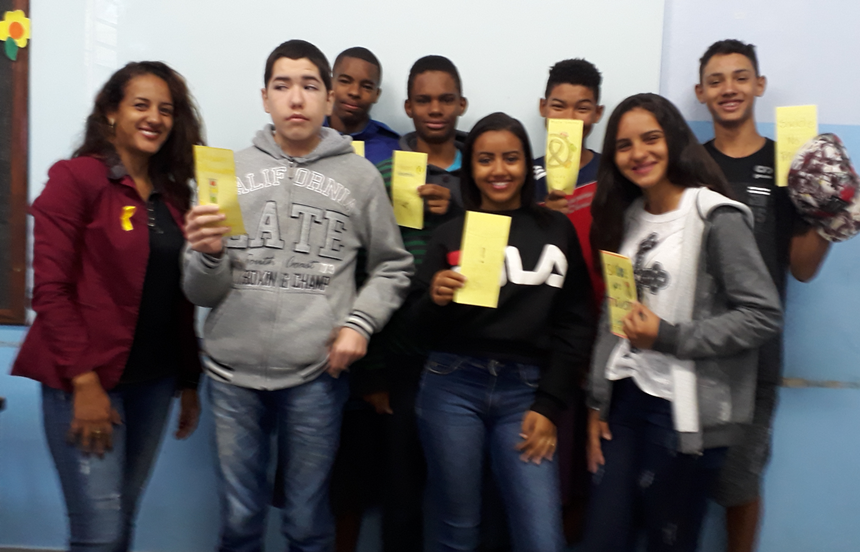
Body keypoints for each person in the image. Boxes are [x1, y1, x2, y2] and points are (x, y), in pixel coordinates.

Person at [182, 39, 413, 552]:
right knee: (239, 521)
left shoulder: (360, 176)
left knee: (307, 523)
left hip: (315, 376)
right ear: (265, 97)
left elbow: (393, 265)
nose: (295, 98)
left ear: (328, 98)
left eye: (309, 86)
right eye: (282, 85)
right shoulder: (226, 173)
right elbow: (198, 292)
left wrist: (359, 323)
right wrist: (210, 256)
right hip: (230, 376)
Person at [12, 61, 204, 552]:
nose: (154, 118)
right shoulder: (76, 179)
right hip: (87, 382)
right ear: (111, 113)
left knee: (122, 525)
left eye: (166, 110)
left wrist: (189, 381)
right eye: (141, 105)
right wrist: (84, 383)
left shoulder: (174, 195)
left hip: (154, 383)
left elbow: (178, 296)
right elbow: (50, 291)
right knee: (98, 534)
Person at [582, 93, 783, 551]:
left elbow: (763, 314)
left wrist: (668, 336)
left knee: (669, 540)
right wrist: (597, 402)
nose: (639, 153)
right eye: (624, 145)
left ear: (673, 140)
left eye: (650, 138)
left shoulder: (715, 215)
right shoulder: (628, 217)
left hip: (681, 411)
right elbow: (614, 315)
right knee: (603, 537)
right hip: (625, 403)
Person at [412, 112, 595, 552]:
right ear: (471, 168)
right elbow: (415, 327)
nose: (499, 170)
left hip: (527, 394)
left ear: (527, 165)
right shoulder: (451, 232)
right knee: (458, 530)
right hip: (452, 385)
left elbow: (576, 322)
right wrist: (434, 298)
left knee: (542, 537)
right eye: (485, 159)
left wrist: (550, 404)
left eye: (511, 158)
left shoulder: (556, 229)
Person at [694, 39, 831, 552]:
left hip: (757, 356)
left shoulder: (789, 166)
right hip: (689, 347)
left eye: (739, 76)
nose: (728, 88)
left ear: (759, 85)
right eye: (716, 80)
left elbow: (802, 268)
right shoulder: (689, 167)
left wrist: (834, 217)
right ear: (701, 93)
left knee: (741, 485)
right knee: (676, 479)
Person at [366, 54, 467, 552]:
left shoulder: (486, 169)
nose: (435, 109)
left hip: (468, 355)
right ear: (407, 107)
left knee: (463, 495)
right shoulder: (383, 173)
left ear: (462, 104)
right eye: (424, 100)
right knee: (401, 492)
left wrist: (459, 207)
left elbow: (510, 240)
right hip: (403, 355)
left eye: (445, 99)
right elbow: (366, 270)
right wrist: (373, 373)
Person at [533, 58, 606, 543]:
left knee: (587, 470)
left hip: (600, 339)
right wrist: (535, 217)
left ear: (597, 114)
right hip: (539, 343)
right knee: (542, 466)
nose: (571, 118)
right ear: (543, 108)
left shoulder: (614, 173)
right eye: (559, 106)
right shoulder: (523, 173)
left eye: (583, 108)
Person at [326, 46, 401, 165]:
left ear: (376, 95)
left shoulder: (393, 149)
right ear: (329, 84)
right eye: (345, 81)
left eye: (366, 87)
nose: (355, 92)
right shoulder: (307, 134)